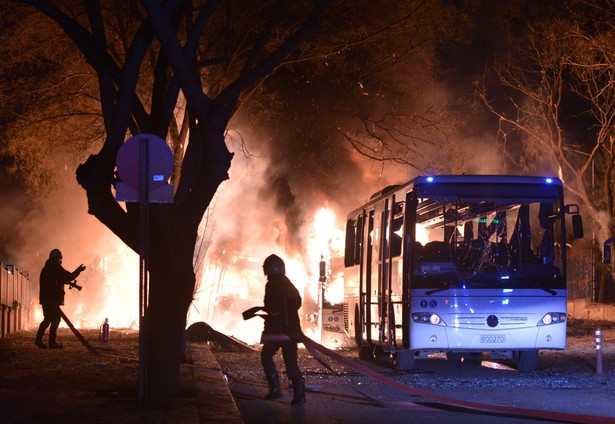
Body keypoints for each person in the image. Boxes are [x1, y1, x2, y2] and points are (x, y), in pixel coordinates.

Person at [260, 254, 306, 405]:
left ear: (268, 269)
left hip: (276, 330)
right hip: (291, 332)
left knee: (266, 356)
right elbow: (298, 303)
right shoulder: (289, 283)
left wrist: (267, 312)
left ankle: (275, 389)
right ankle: (300, 395)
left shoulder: (271, 284)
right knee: (291, 363)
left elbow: (271, 307)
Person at [34, 249, 86, 349]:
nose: (60, 261)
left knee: (49, 319)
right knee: (54, 319)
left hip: (48, 299)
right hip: (51, 300)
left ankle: (40, 340)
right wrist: (78, 271)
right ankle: (50, 342)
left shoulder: (48, 269)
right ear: (56, 259)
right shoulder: (55, 268)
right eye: (59, 259)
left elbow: (60, 280)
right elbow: (69, 276)